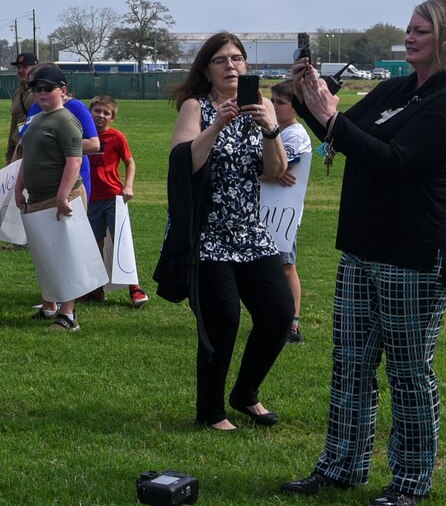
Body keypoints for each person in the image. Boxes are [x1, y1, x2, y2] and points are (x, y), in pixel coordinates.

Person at [280, 0, 446, 506]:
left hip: (415, 248)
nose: (410, 38)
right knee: (350, 364)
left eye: (422, 31)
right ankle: (341, 466)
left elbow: (395, 161)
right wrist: (308, 95)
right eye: (409, 30)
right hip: (364, 244)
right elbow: (339, 131)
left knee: (409, 370)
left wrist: (330, 116)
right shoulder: (396, 89)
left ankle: (411, 481)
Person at [161, 33, 292, 430]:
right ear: (207, 69)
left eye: (237, 59)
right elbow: (184, 162)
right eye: (221, 60)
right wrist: (217, 124)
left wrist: (271, 130)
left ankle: (245, 394)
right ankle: (211, 411)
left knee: (279, 315)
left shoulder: (264, 106)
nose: (231, 66)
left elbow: (275, 172)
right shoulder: (194, 107)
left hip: (250, 232)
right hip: (207, 234)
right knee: (223, 320)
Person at [17, 65, 104, 333]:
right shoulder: (37, 118)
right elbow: (26, 156)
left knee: (67, 254)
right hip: (38, 196)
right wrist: (18, 188)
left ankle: (68, 315)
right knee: (47, 254)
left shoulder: (66, 120)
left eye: (47, 89)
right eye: (36, 89)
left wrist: (63, 195)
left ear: (62, 91)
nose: (41, 94)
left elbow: (75, 159)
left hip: (61, 196)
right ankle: (50, 307)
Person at [83, 95, 149, 308]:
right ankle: (95, 288)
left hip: (113, 198)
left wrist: (128, 186)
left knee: (122, 242)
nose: (100, 116)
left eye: (106, 113)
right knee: (94, 245)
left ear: (113, 118)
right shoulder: (82, 136)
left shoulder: (117, 137)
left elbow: (130, 163)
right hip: (90, 199)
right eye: (97, 111)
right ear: (89, 112)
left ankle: (135, 288)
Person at [263, 81, 315, 345]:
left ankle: (292, 325)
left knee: (286, 267)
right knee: (266, 268)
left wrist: (271, 172)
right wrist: (271, 173)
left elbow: (274, 168)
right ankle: (270, 320)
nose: (274, 105)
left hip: (283, 216)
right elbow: (266, 168)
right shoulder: (273, 130)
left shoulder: (296, 135)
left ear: (295, 107)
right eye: (272, 100)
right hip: (265, 211)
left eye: (281, 102)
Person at [4, 50, 37, 162]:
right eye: (18, 68)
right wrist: (9, 154)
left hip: (35, 150)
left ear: (36, 68)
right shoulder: (17, 94)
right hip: (18, 151)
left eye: (25, 67)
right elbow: (14, 126)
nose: (20, 71)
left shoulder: (42, 93)